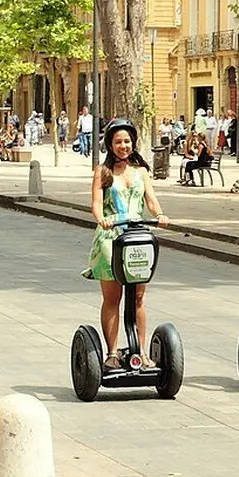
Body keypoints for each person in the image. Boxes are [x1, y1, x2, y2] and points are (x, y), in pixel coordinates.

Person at [82, 119, 169, 372]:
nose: (123, 146)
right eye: (118, 141)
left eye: (127, 141)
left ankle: (140, 352)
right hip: (110, 240)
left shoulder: (141, 171)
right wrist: (102, 220)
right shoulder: (103, 171)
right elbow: (96, 204)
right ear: (110, 144)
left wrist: (160, 214)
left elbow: (151, 200)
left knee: (139, 297)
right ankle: (111, 353)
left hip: (137, 237)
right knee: (113, 298)